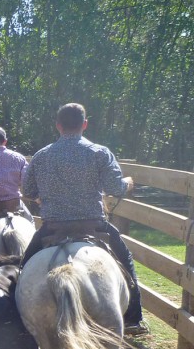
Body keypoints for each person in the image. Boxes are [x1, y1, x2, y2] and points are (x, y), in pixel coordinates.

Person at [20, 103, 148, 336]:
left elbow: (27, 190)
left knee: (24, 267)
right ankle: (133, 318)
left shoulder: (42, 155)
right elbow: (115, 188)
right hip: (94, 224)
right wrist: (128, 183)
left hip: (53, 228)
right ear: (85, 124)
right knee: (125, 259)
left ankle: (17, 319)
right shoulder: (99, 152)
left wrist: (45, 196)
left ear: (58, 126)